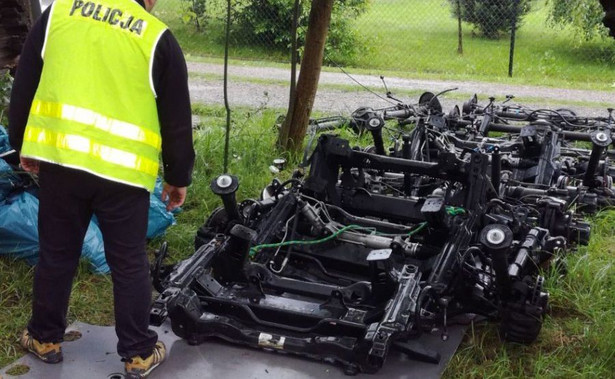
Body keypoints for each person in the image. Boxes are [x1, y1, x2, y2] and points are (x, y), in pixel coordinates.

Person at [8, 0, 195, 377]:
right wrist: (178, 177)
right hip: (123, 177)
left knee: (57, 253)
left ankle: (44, 338)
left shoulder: (58, 13)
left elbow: (25, 85)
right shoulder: (156, 36)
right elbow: (176, 117)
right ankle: (139, 354)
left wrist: (22, 145)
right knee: (128, 262)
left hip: (62, 163)